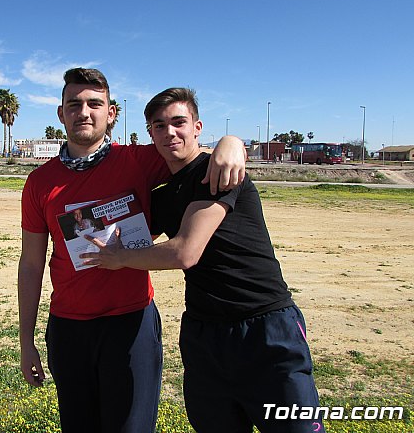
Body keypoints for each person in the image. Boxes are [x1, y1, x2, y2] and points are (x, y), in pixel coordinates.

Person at [81, 87, 324, 433]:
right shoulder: (163, 197)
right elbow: (124, 229)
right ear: (151, 134)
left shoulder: (219, 172)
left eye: (178, 122)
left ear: (197, 128)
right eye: (159, 126)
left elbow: (185, 252)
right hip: (204, 334)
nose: (170, 132)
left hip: (264, 326)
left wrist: (231, 142)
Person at [18, 69, 247, 433]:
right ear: (61, 113)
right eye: (74, 104)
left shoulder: (139, 160)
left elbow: (190, 151)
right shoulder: (39, 183)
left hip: (131, 324)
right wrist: (26, 340)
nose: (84, 112)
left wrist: (232, 143)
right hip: (68, 328)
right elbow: (31, 264)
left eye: (95, 103)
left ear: (111, 113)